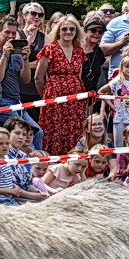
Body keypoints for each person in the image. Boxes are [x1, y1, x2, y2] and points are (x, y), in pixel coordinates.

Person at [35, 16, 92, 155]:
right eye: (64, 29)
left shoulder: (79, 50)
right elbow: (38, 78)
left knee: (74, 129)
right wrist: (47, 95)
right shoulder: (49, 49)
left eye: (72, 29)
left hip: (75, 101)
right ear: (58, 31)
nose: (68, 32)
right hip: (54, 99)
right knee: (54, 129)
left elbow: (78, 76)